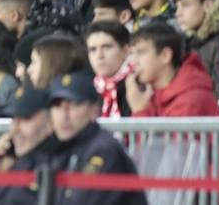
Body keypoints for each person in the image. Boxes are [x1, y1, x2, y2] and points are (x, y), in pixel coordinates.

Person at [46, 69, 146, 205]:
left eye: (74, 105)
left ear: (94, 111)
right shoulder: (61, 149)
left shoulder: (104, 150)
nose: (64, 115)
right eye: (57, 106)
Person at [126, 22, 219, 116]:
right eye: (132, 54)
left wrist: (139, 111)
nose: (133, 62)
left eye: (141, 52)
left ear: (165, 55)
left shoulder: (192, 99)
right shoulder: (150, 95)